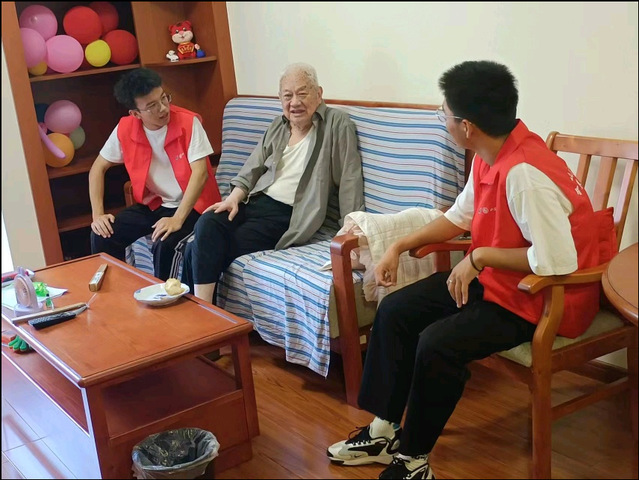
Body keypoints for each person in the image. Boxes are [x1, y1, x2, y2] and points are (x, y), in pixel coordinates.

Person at [327, 60, 604, 479]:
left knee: (438, 344)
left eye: (444, 114)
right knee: (396, 310)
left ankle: (413, 460)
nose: (443, 121)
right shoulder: (490, 154)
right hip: (501, 284)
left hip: (544, 297)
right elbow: (460, 216)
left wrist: (479, 258)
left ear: (467, 126)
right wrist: (398, 246)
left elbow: (557, 262)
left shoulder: (524, 174)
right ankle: (385, 432)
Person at [181, 62, 364, 303]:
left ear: (319, 93)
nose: (295, 102)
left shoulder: (337, 124)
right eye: (287, 96)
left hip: (287, 216)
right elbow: (252, 167)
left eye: (302, 93)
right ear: (280, 99)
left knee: (197, 248)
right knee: (207, 222)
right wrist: (233, 198)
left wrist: (350, 230)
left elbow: (349, 179)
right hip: (255, 202)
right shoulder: (279, 125)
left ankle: (202, 313)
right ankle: (205, 313)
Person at [89, 67, 220, 281]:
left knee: (164, 241)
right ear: (135, 114)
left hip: (194, 206)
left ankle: (164, 296)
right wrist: (98, 215)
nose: (163, 108)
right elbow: (97, 168)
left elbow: (201, 173)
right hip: (155, 204)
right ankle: (115, 295)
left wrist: (177, 219)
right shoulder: (125, 128)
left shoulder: (188, 122)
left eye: (164, 98)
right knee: (103, 233)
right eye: (151, 106)